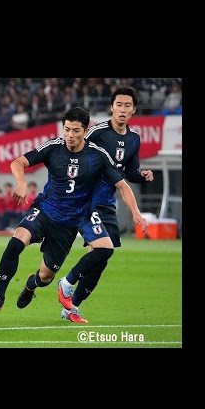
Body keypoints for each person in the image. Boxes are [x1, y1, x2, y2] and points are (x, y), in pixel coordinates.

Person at [0, 108, 147, 319]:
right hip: (45, 210)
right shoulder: (53, 147)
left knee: (46, 276)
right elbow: (18, 162)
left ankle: (32, 284)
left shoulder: (97, 155)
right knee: (15, 242)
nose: (70, 135)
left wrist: (135, 212)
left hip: (71, 222)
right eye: (67, 129)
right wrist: (21, 182)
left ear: (85, 131)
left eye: (75, 131)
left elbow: (122, 185)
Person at [56, 87, 155, 322]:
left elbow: (129, 172)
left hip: (108, 202)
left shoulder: (134, 138)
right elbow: (73, 152)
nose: (122, 109)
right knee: (103, 250)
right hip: (88, 200)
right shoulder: (97, 132)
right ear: (111, 107)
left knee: (101, 259)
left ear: (133, 109)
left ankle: (71, 307)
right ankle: (67, 283)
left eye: (127, 105)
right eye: (118, 104)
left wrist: (142, 175)